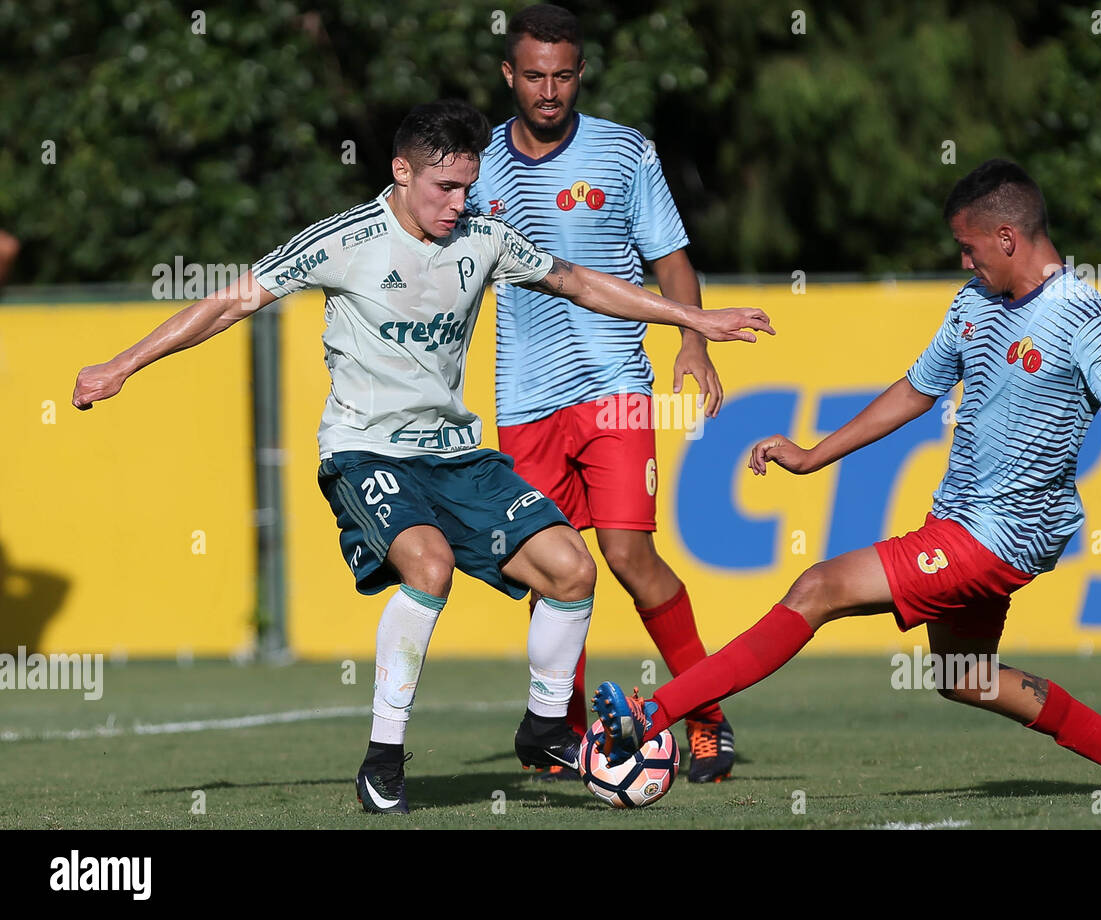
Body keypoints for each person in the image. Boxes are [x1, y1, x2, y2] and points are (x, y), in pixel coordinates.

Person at [71, 100, 772, 814]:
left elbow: (581, 281)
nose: (458, 202)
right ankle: (383, 760)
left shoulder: (485, 239)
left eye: (468, 186)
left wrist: (693, 319)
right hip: (365, 453)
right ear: (401, 172)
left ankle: (543, 726)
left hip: (457, 458)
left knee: (572, 568)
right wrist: (123, 365)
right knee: (430, 563)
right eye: (444, 187)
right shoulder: (344, 241)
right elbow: (229, 303)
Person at [592, 159, 1101, 794]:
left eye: (969, 248)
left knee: (817, 587)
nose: (965, 263)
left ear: (1007, 238)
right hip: (958, 519)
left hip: (1000, 535)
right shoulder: (975, 303)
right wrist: (812, 455)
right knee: (963, 675)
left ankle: (651, 716)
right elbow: (915, 390)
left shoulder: (1084, 320)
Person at [467, 3, 738, 783]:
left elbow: (671, 258)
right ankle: (566, 733)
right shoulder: (476, 163)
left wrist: (690, 339)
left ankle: (707, 714)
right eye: (533, 76)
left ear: (580, 73)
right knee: (553, 568)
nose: (548, 91)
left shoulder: (624, 153)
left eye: (563, 76)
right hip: (523, 401)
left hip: (616, 388)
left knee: (627, 555)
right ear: (508, 75)